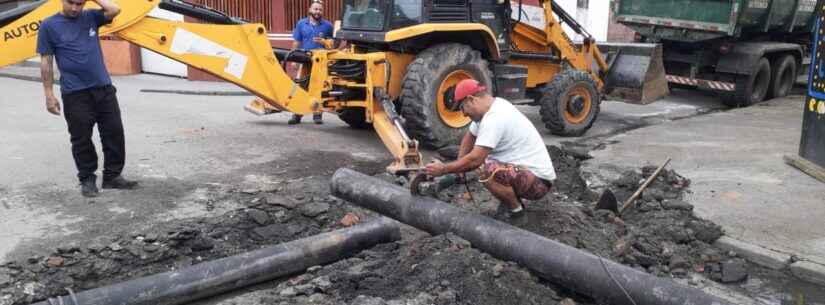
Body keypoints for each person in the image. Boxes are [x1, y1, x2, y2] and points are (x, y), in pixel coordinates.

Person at [37, 0, 138, 197]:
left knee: (114, 133)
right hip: (75, 93)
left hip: (104, 88)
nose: (75, 8)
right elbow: (46, 60)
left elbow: (115, 9)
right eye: (71, 3)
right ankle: (87, 179)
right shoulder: (48, 26)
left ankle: (112, 176)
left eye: (80, 3)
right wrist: (49, 94)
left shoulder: (91, 16)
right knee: (81, 138)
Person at [425, 79, 556, 220]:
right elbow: (469, 137)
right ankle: (509, 201)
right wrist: (459, 168)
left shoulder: (495, 117)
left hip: (538, 183)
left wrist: (444, 169)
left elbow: (475, 160)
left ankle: (516, 211)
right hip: (526, 173)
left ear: (471, 99)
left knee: (487, 169)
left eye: (462, 108)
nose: (463, 114)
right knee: (483, 163)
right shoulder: (493, 106)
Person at [288, 0, 334, 125]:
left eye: (320, 9)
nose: (318, 12)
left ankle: (317, 115)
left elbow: (332, 45)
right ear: (310, 10)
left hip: (321, 62)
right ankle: (297, 114)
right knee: (301, 87)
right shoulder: (301, 24)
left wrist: (324, 42)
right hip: (305, 59)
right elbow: (296, 42)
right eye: (315, 9)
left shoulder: (328, 26)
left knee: (319, 88)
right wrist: (294, 59)